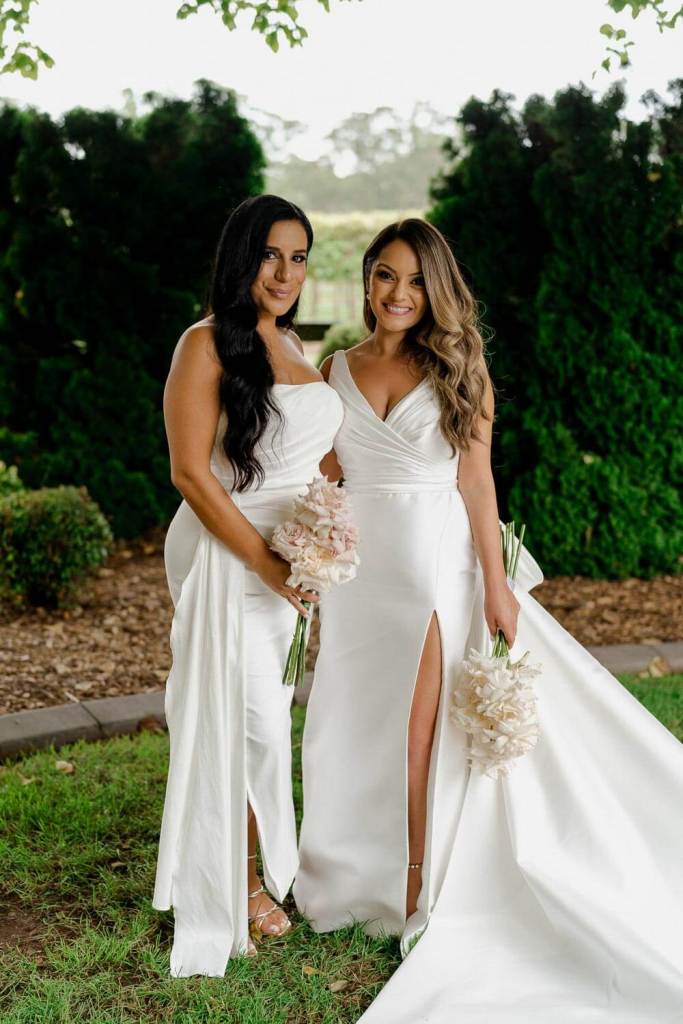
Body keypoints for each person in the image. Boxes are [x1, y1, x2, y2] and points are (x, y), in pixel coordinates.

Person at [294, 218, 683, 1021]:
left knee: (416, 736)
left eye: (412, 280)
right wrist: (311, 545)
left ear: (436, 287)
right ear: (366, 280)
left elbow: (476, 483)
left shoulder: (459, 367)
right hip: (360, 580)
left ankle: (415, 887)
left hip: (436, 572)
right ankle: (345, 877)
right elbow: (327, 475)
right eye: (383, 276)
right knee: (347, 723)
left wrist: (497, 586)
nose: (397, 294)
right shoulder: (333, 368)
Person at [152, 195, 343, 977]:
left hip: (288, 560)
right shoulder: (205, 344)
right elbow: (191, 474)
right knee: (253, 721)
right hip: (226, 554)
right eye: (271, 255)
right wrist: (268, 562)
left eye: (299, 258)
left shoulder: (292, 343)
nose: (285, 273)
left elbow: (315, 459)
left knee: (258, 716)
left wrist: (325, 538)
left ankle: (254, 869)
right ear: (241, 257)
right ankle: (234, 885)